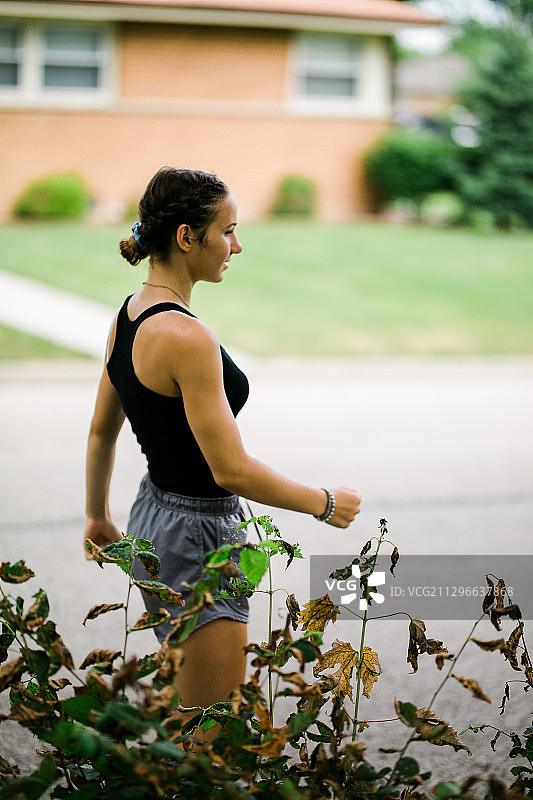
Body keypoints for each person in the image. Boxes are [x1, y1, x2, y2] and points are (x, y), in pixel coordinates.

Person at [84, 166, 361, 741]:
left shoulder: (126, 316)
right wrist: (324, 502)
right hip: (197, 536)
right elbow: (229, 469)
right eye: (228, 231)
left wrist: (97, 514)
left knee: (184, 703)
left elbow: (100, 432)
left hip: (152, 517)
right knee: (218, 736)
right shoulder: (187, 338)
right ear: (187, 237)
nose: (237, 245)